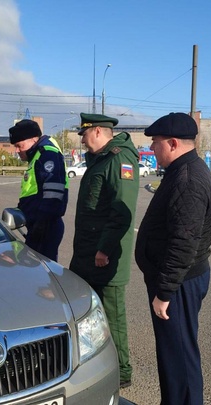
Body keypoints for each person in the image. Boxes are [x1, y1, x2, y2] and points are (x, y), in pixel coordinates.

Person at [135, 112, 211, 405]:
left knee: (179, 357)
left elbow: (184, 242)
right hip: (178, 281)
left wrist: (164, 291)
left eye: (155, 143)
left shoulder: (186, 179)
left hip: (178, 284)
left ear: (172, 143)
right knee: (174, 355)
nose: (152, 149)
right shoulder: (182, 170)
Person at [69, 112, 139, 389]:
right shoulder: (101, 160)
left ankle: (121, 372)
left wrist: (105, 249)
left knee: (112, 314)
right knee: (87, 313)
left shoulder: (119, 160)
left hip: (105, 256)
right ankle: (93, 363)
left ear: (97, 131)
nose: (82, 140)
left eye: (84, 134)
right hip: (88, 252)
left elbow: (122, 212)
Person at [9, 119, 68, 261]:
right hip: (39, 226)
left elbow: (53, 196)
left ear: (33, 140)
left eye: (19, 145)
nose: (17, 150)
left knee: (42, 275)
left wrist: (39, 228)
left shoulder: (47, 155)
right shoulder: (37, 155)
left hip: (45, 227)